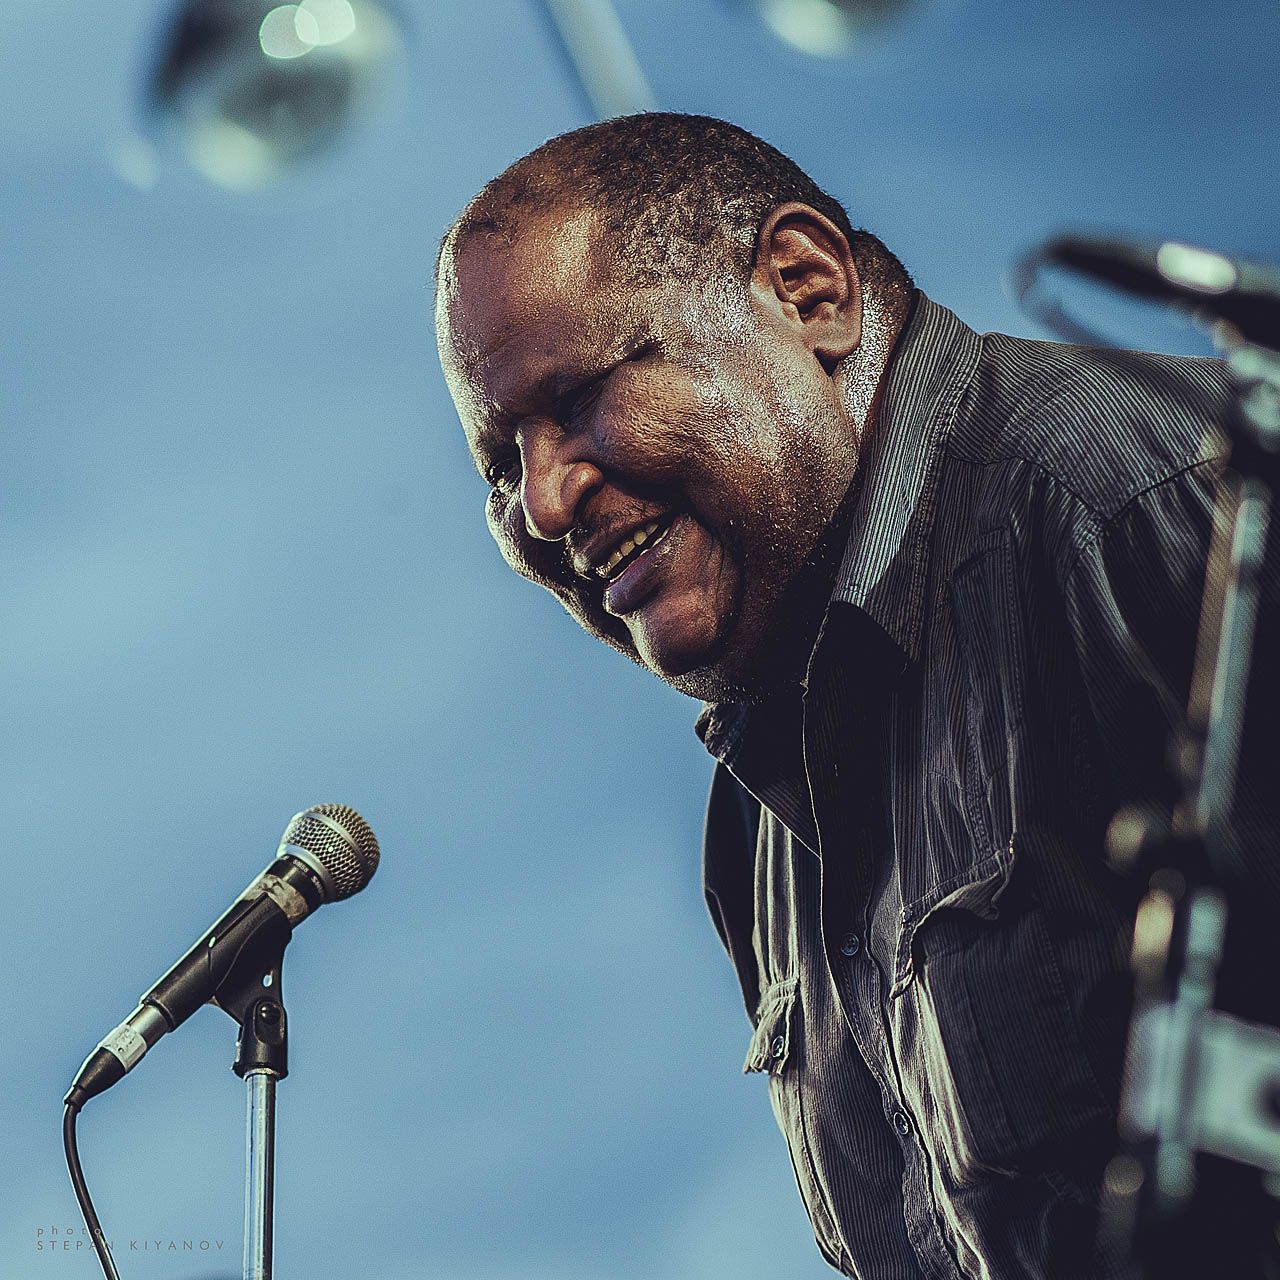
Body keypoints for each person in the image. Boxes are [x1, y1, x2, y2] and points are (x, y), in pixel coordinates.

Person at [434, 113, 1279, 1279]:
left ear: (806, 290)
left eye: (574, 396)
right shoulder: (753, 819)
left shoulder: (1140, 507)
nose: (540, 502)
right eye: (497, 464)